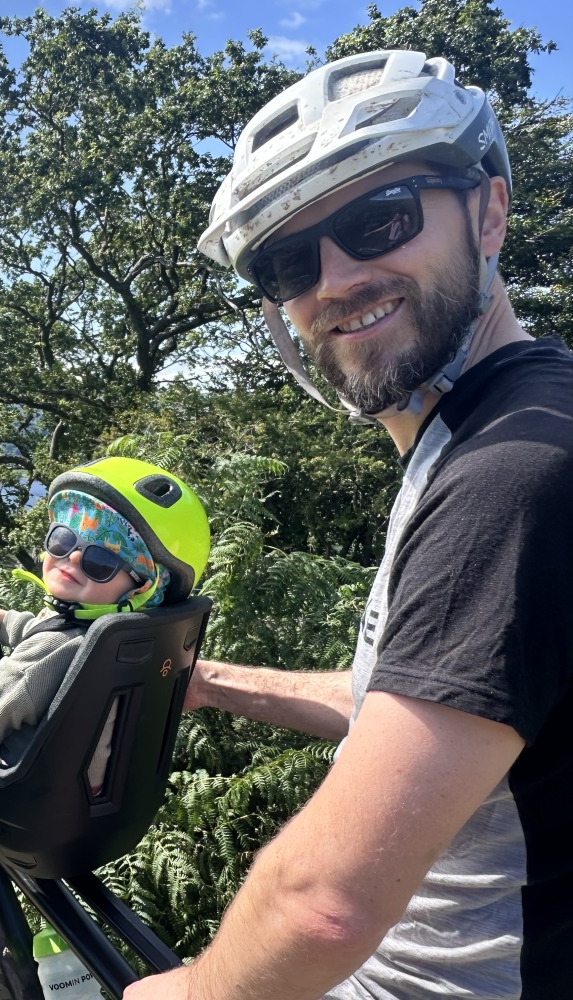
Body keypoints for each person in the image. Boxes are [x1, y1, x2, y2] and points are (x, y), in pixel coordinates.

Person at [124, 50, 573, 999]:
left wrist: (191, 994)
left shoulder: (513, 467)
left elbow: (322, 907)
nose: (335, 278)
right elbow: (436, 702)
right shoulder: (496, 428)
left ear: (487, 213)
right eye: (289, 259)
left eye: (379, 219)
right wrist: (205, 683)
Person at [0, 456, 210, 793]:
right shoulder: (129, 640)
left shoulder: (54, 648)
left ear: (142, 588)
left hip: (20, 790)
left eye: (100, 561)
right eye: (63, 540)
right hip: (88, 798)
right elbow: (56, 639)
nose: (73, 557)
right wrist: (10, 623)